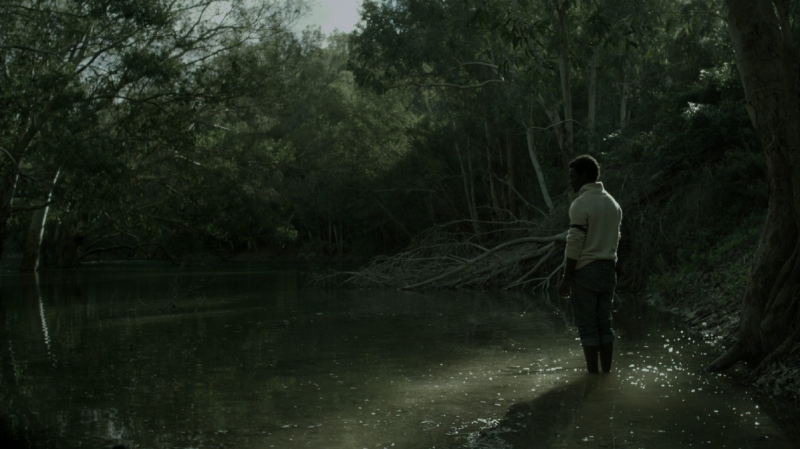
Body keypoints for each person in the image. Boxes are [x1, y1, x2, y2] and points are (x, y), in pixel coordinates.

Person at [557, 155, 622, 374]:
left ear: (585, 176)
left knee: (588, 326)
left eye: (573, 177)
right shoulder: (613, 204)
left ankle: (593, 379)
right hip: (609, 269)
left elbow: (575, 242)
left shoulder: (581, 204)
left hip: (586, 271)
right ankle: (606, 376)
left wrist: (566, 278)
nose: (570, 181)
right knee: (605, 324)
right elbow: (616, 239)